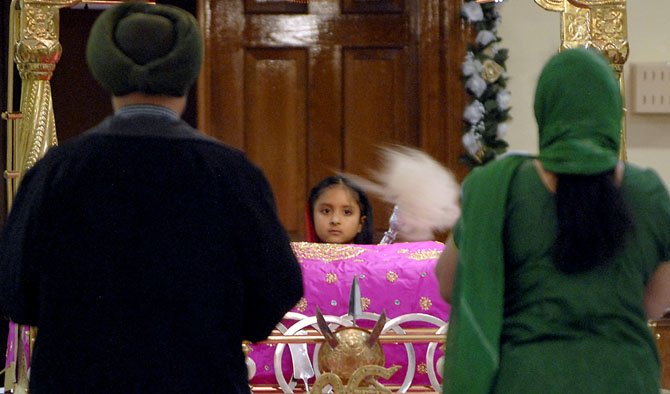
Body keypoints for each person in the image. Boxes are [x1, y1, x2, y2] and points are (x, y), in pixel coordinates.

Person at [0, 3, 303, 393]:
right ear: (187, 72)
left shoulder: (57, 172)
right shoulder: (231, 174)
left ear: (105, 71)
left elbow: (15, 292)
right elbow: (276, 289)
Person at [436, 48, 670, 394]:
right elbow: (654, 302)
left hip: (528, 379)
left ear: (544, 109)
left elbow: (449, 283)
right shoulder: (647, 192)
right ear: (611, 110)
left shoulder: (497, 188)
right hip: (623, 378)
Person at [305, 175, 374, 244]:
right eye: (326, 211)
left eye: (347, 212)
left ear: (361, 223)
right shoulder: (298, 254)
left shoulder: (376, 255)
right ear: (312, 217)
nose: (335, 220)